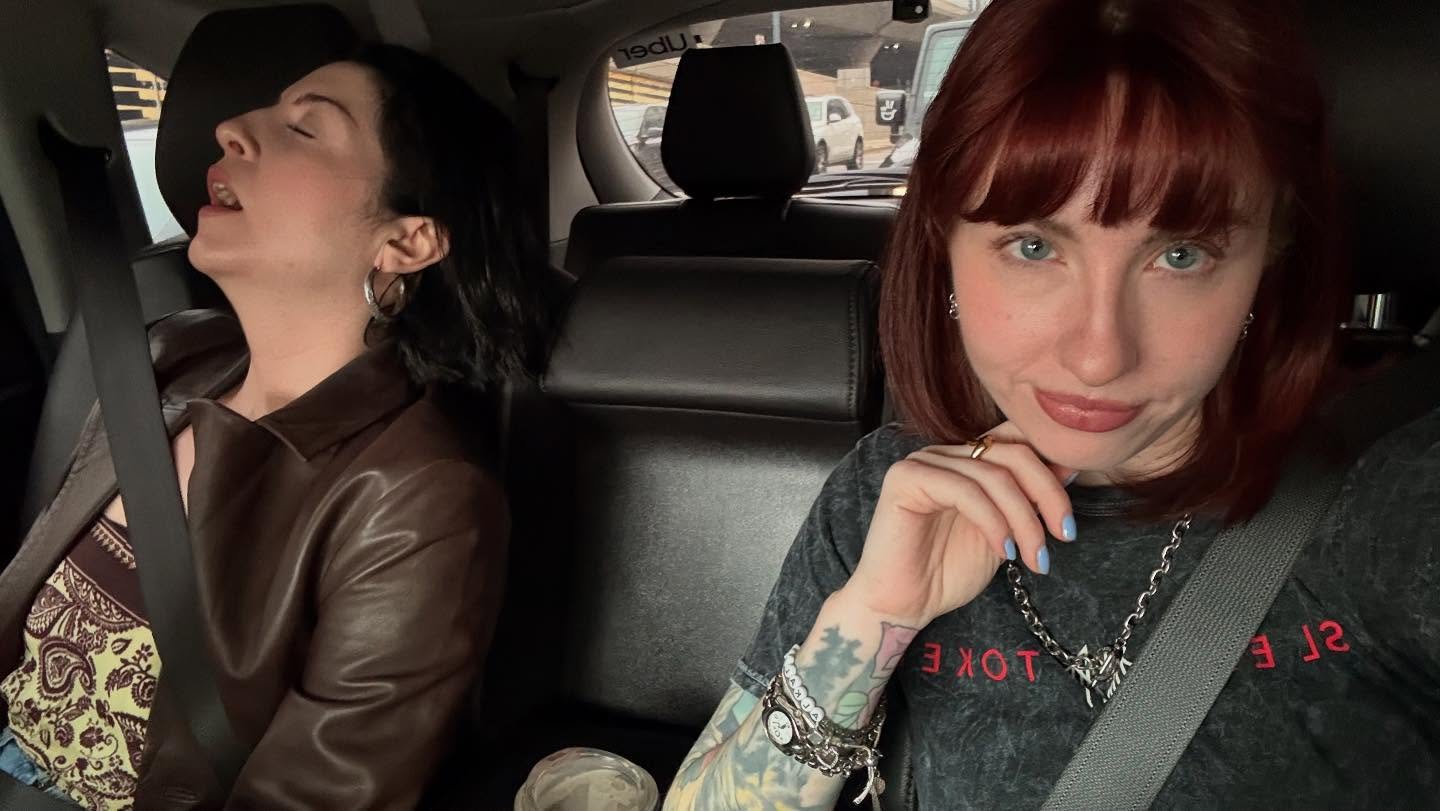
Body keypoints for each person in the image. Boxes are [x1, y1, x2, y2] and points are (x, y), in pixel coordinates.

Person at [666, 0, 1440, 807]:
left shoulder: (1395, 505)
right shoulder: (887, 497)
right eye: (1033, 247)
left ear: (1268, 258)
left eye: (1181, 255)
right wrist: (871, 617)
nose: (1099, 354)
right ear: (944, 246)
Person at [0, 44, 551, 809]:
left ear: (406, 241)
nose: (230, 129)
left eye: (305, 128)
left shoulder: (421, 500)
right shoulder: (163, 357)